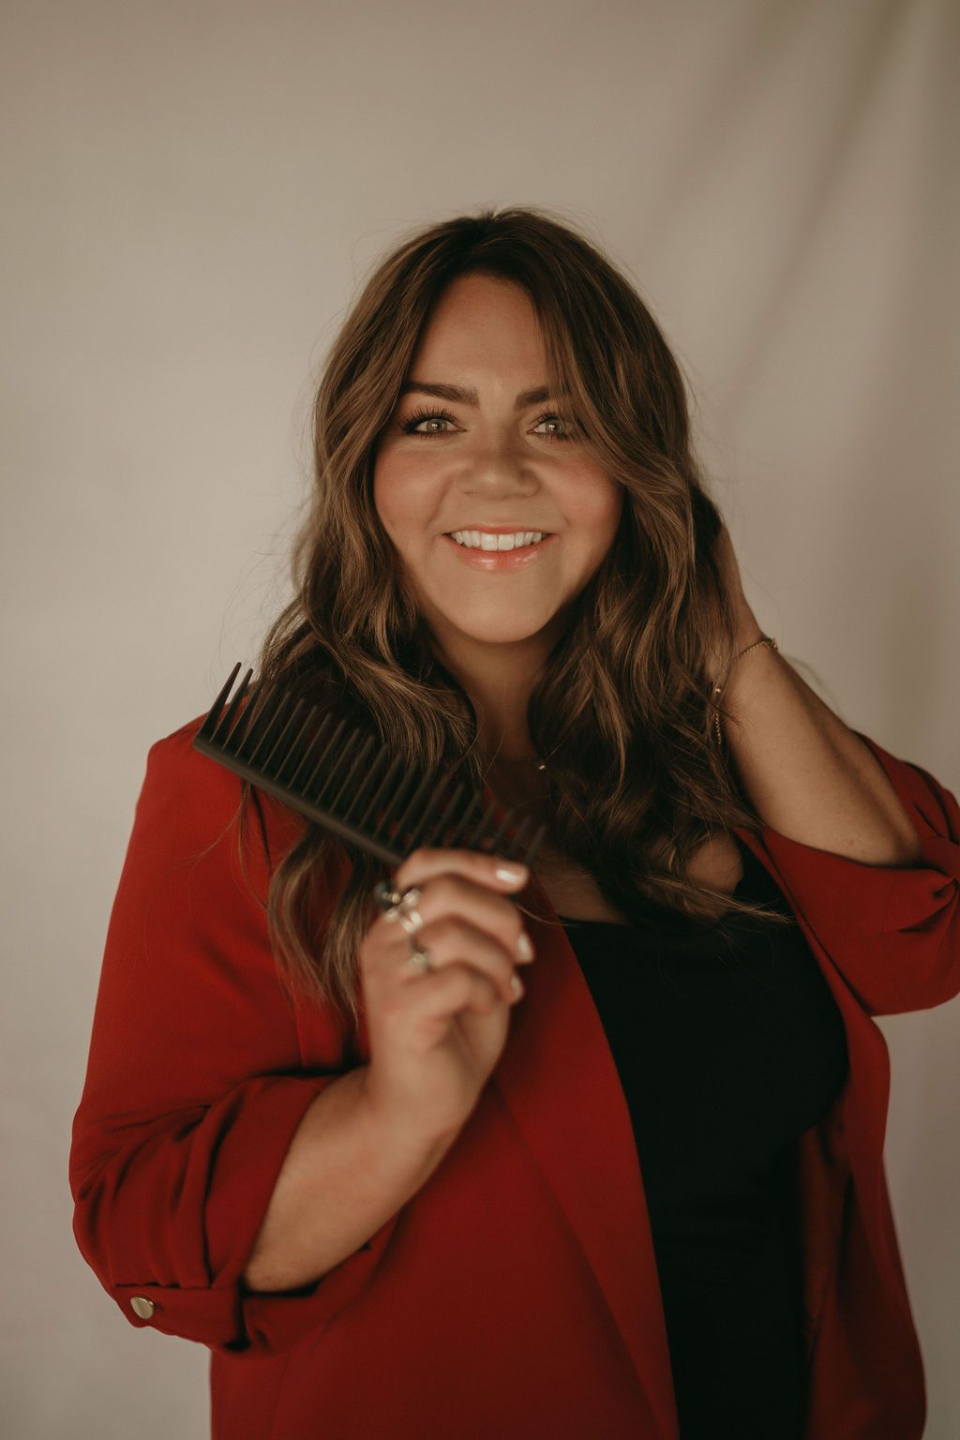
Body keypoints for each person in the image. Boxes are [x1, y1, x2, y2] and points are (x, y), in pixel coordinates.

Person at [70, 207, 960, 1440]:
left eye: (560, 421)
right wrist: (395, 1112)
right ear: (365, 467)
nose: (497, 474)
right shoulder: (242, 799)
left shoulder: (718, 762)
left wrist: (728, 642)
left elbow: (920, 942)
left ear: (638, 469)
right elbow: (137, 1226)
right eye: (433, 421)